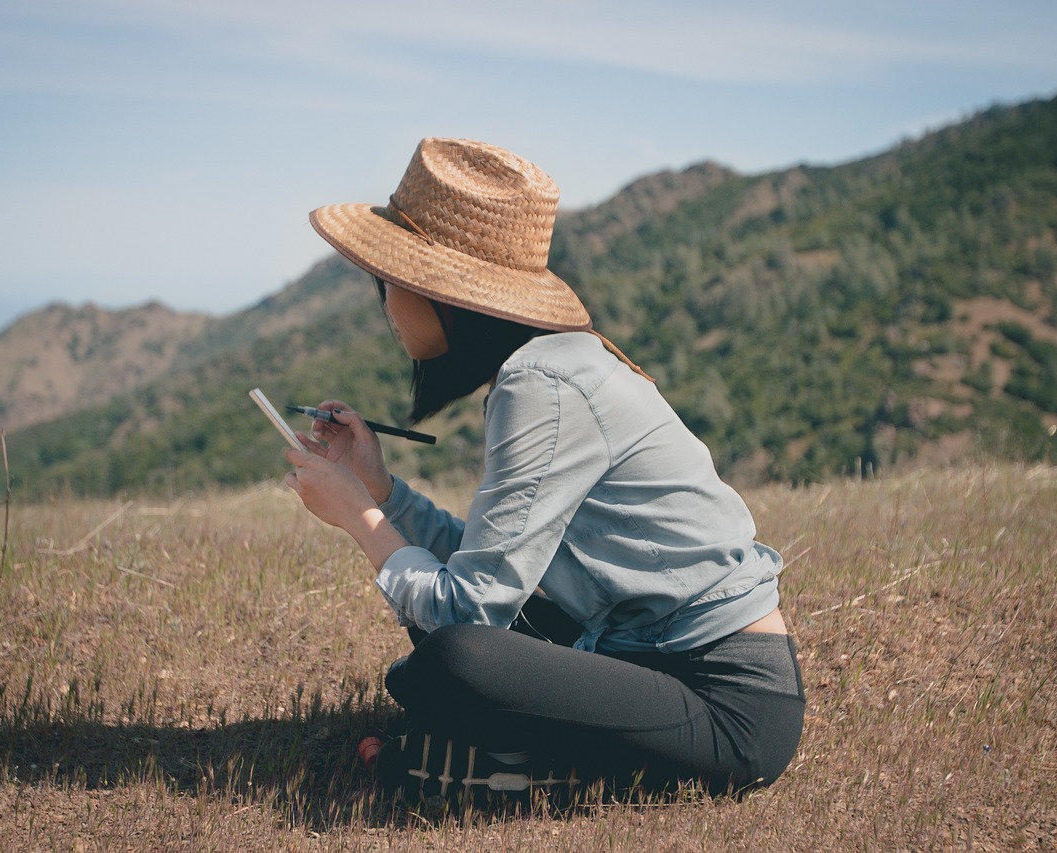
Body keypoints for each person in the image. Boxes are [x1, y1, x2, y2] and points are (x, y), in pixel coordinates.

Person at [283, 138, 804, 807]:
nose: (383, 300)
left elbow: (465, 612)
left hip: (729, 704)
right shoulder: (542, 368)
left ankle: (502, 769)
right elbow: (487, 570)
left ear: (439, 291)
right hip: (645, 653)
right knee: (435, 665)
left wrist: (359, 515)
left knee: (451, 660)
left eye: (389, 279)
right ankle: (498, 753)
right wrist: (378, 488)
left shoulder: (543, 381)